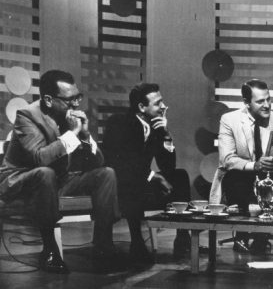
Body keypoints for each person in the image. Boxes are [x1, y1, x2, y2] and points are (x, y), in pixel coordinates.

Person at [0, 70, 121, 274]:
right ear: (48, 99)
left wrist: (84, 135)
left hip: (56, 181)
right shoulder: (27, 116)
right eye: (70, 100)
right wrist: (73, 134)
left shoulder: (66, 116)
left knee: (106, 173)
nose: (76, 104)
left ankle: (103, 245)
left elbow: (99, 161)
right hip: (22, 182)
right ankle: (49, 250)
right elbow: (39, 159)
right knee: (45, 172)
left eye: (77, 97)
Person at [102, 83, 193, 263]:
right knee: (132, 182)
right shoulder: (120, 122)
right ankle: (137, 243)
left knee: (180, 175)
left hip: (143, 182)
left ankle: (183, 236)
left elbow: (168, 166)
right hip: (121, 183)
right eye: (158, 103)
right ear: (142, 107)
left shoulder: (155, 126)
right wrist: (152, 176)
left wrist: (166, 135)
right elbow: (120, 163)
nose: (163, 107)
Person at [212, 79, 273, 254]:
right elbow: (227, 158)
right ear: (246, 102)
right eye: (260, 101)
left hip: (270, 174)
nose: (267, 105)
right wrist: (255, 165)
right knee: (237, 177)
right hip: (242, 173)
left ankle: (262, 236)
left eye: (268, 99)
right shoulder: (229, 120)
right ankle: (241, 235)